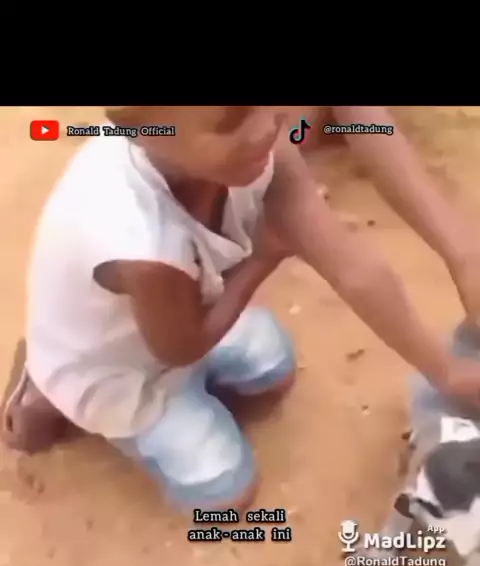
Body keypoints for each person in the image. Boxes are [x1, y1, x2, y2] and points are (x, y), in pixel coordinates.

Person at [4, 105, 480, 515]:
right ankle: (47, 386)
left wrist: (445, 370)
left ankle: (165, 381)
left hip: (178, 314)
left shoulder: (252, 150)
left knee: (273, 368)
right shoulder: (140, 245)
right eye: (230, 122)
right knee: (225, 495)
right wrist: (262, 258)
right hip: (121, 369)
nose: (266, 128)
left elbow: (352, 268)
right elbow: (180, 348)